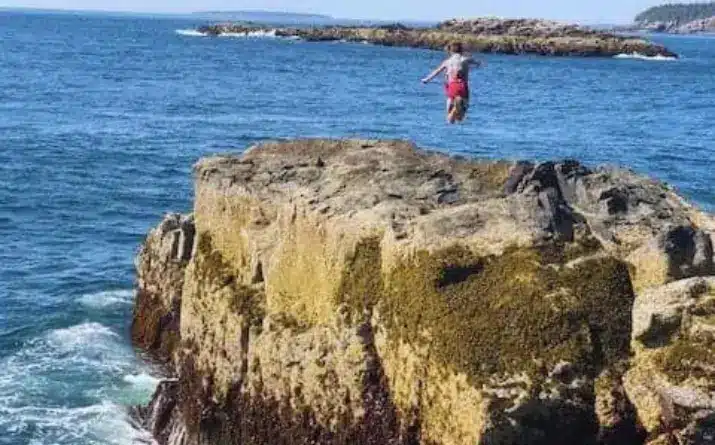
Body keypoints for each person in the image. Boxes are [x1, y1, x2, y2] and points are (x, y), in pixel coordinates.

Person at [421, 41, 484, 124]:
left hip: (451, 86)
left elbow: (436, 72)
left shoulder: (447, 62)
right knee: (461, 116)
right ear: (461, 51)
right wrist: (477, 64)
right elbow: (479, 63)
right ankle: (458, 107)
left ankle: (453, 110)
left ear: (450, 51)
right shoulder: (465, 59)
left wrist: (426, 80)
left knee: (449, 116)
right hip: (462, 86)